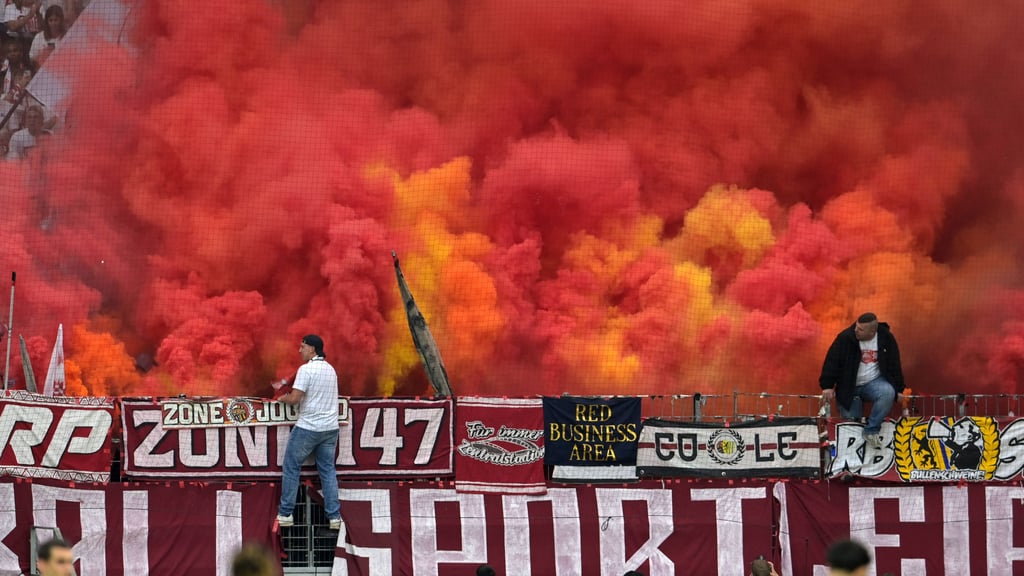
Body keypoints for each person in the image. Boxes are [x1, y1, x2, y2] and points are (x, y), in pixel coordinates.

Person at [274, 334, 342, 530]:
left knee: (291, 466)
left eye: (302, 346)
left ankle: (286, 513)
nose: (299, 350)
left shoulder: (306, 370)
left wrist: (282, 398)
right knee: (328, 471)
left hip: (309, 427)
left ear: (312, 349)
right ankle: (334, 517)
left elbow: (295, 398)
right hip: (330, 429)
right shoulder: (331, 370)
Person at [819, 312, 905, 449]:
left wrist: (899, 389)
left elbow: (894, 364)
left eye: (860, 329)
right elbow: (832, 361)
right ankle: (852, 462)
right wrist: (827, 385)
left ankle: (871, 430)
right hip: (849, 386)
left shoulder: (886, 338)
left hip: (873, 382)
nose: (856, 330)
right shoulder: (845, 338)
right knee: (852, 424)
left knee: (888, 392)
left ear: (872, 331)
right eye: (856, 327)